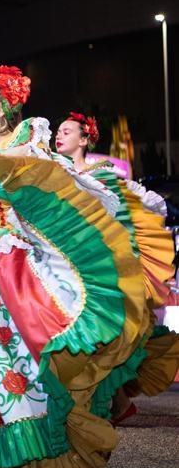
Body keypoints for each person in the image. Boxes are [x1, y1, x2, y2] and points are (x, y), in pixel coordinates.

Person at [0, 65, 150, 468]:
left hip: (25, 281)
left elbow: (70, 205)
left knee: (40, 376)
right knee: (12, 384)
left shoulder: (26, 151)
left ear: (3, 107)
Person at [56, 111, 179, 425]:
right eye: (58, 131)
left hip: (100, 269)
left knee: (102, 336)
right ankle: (113, 403)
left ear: (84, 139)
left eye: (67, 131)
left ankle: (107, 404)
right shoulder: (53, 173)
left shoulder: (102, 176)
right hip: (65, 267)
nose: (59, 135)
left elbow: (147, 201)